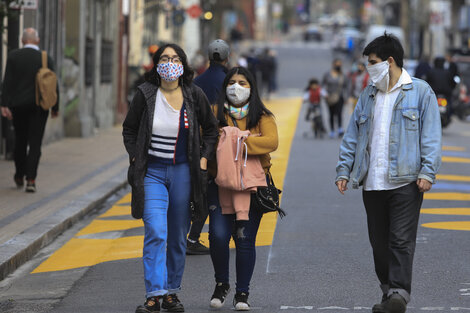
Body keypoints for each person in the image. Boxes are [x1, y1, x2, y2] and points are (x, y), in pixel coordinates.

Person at [335, 33, 442, 313]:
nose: (369, 68)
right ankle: (388, 292)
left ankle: (398, 293)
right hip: (372, 182)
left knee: (400, 240)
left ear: (389, 61)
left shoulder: (420, 92)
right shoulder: (368, 95)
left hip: (406, 180)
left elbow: (430, 135)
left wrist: (428, 171)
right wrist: (344, 170)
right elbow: (353, 136)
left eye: (372, 62)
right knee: (379, 244)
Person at [123, 43, 218, 313]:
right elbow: (129, 130)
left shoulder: (193, 94)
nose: (170, 62)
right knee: (155, 230)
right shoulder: (145, 94)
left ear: (183, 63)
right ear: (156, 64)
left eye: (175, 58)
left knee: (177, 236)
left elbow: (212, 130)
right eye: (164, 58)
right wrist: (134, 156)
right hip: (152, 172)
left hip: (183, 173)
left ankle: (172, 293)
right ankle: (154, 293)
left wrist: (203, 157)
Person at [208, 66, 278, 311]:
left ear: (252, 88)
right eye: (232, 82)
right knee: (217, 237)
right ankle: (221, 283)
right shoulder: (214, 112)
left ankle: (242, 292)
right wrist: (248, 139)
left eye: (243, 83)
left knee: (245, 239)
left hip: (252, 189)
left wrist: (235, 139)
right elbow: (207, 140)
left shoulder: (263, 115)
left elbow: (271, 141)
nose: (236, 87)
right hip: (220, 185)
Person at [0, 28, 59, 193]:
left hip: (18, 107)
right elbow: (53, 85)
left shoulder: (13, 56)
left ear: (22, 40)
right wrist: (55, 107)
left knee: (20, 140)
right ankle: (31, 180)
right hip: (40, 108)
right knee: (35, 143)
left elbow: (7, 83)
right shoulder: (46, 59)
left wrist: (4, 104)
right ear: (37, 41)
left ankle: (19, 175)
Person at [186, 39, 230, 255]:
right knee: (215, 192)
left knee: (197, 192)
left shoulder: (197, 81)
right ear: (226, 58)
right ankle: (194, 238)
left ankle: (187, 235)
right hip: (222, 144)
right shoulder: (229, 82)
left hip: (196, 143)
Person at [322, 58, 348, 138]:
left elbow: (346, 86)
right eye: (337, 64)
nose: (338, 66)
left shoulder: (342, 75)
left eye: (340, 64)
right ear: (333, 65)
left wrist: (346, 97)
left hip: (339, 96)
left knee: (339, 112)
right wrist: (324, 94)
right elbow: (322, 85)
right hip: (329, 97)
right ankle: (332, 130)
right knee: (331, 113)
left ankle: (340, 128)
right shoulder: (327, 74)